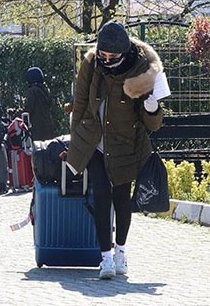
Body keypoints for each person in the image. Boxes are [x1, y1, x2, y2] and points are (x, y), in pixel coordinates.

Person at [65, 20, 165, 279]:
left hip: (125, 143)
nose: (107, 60)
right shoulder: (91, 63)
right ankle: (105, 258)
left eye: (113, 56)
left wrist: (152, 108)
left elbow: (151, 124)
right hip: (94, 141)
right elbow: (80, 102)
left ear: (125, 52)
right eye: (103, 55)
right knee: (101, 196)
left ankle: (121, 251)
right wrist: (77, 138)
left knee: (122, 198)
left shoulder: (142, 71)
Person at [24, 67, 56, 141]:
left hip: (38, 126)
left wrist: (18, 114)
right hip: (48, 124)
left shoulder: (32, 91)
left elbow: (29, 108)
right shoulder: (45, 90)